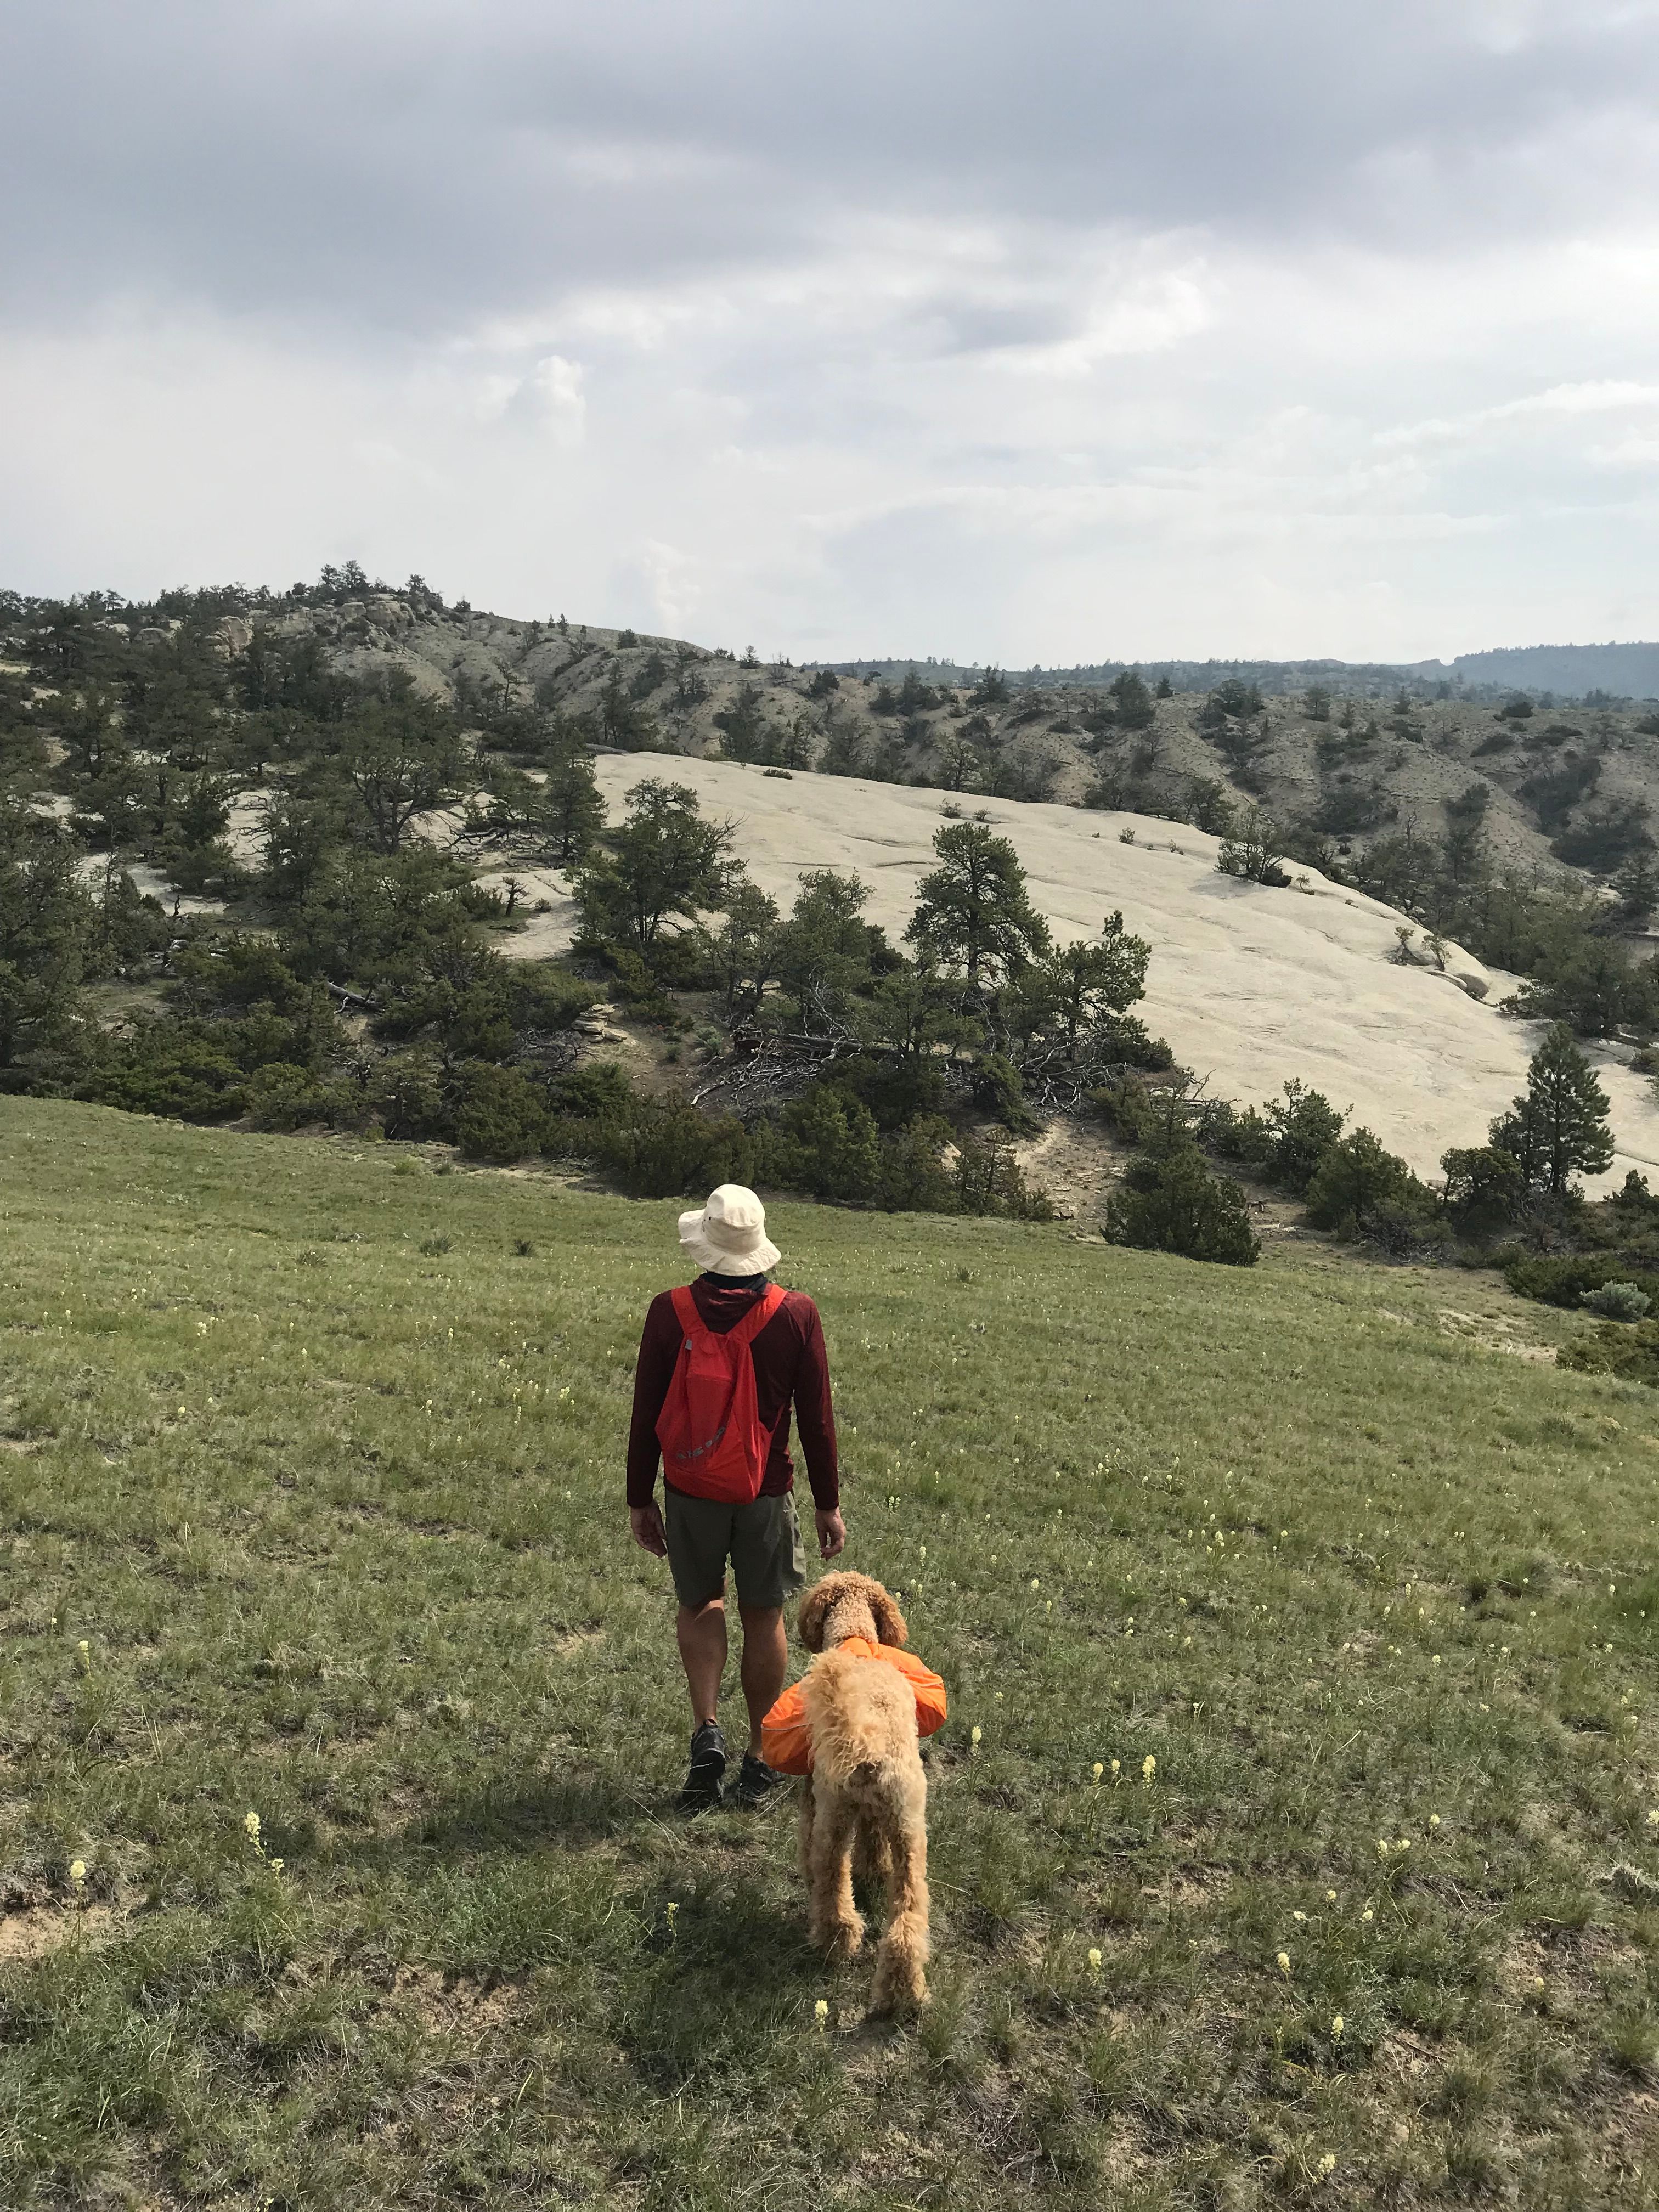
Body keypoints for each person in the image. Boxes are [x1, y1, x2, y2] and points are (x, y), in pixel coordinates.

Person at [627, 1184, 847, 1811]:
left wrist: (640, 1496)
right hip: (765, 1491)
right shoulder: (796, 1313)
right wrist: (828, 1502)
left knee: (699, 1603)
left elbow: (646, 1413)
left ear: (705, 1245)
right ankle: (758, 1755)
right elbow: (818, 1419)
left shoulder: (669, 1311)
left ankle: (706, 1732)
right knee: (764, 1616)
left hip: (691, 1486)